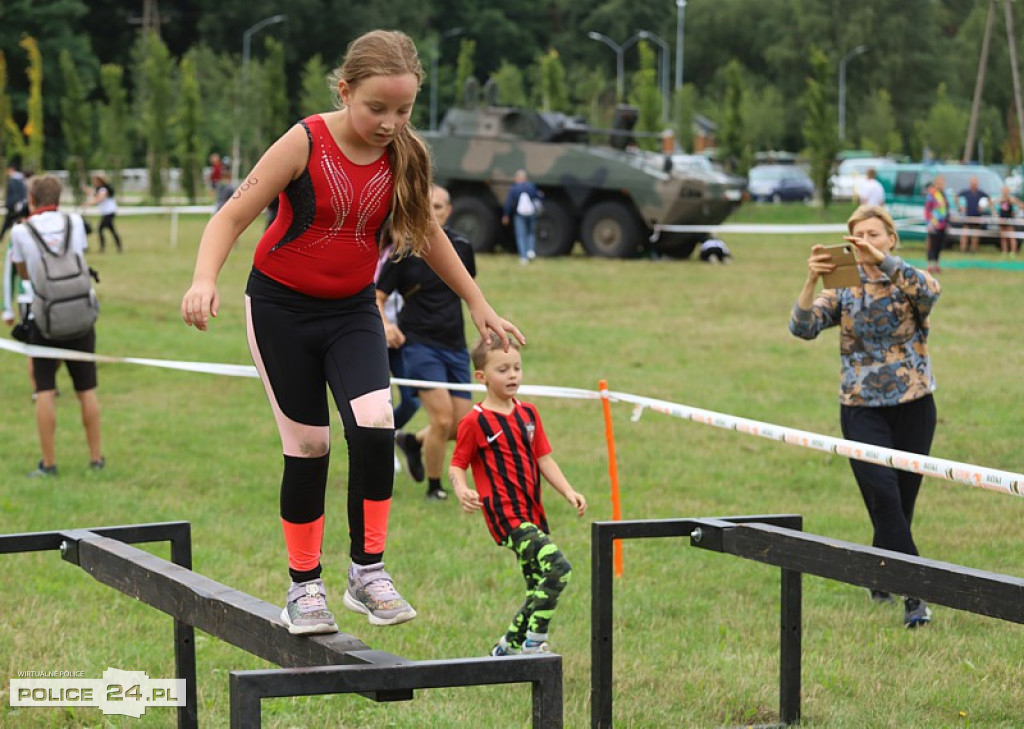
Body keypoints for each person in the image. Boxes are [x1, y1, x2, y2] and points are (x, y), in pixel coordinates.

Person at [180, 30, 524, 637]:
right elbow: (231, 215)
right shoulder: (304, 141)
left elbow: (428, 233)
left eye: (404, 110)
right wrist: (203, 278)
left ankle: (367, 572)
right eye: (377, 108)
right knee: (310, 445)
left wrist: (479, 302)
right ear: (345, 91)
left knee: (375, 423)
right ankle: (304, 587)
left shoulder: (405, 155)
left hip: (352, 312)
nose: (391, 122)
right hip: (280, 310)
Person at [789, 204, 941, 629]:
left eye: (875, 235)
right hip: (860, 409)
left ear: (891, 239)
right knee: (885, 500)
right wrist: (811, 279)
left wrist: (882, 262)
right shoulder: (843, 286)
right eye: (859, 237)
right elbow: (801, 327)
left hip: (914, 404)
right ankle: (917, 596)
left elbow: (932, 291)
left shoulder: (906, 281)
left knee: (901, 504)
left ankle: (880, 571)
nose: (867, 243)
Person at [449, 336, 587, 656]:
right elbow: (457, 465)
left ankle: (507, 646)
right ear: (481, 377)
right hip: (506, 516)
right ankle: (534, 642)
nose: (513, 375)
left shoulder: (529, 414)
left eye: (517, 368)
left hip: (532, 513)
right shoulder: (475, 421)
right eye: (502, 369)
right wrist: (462, 489)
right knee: (558, 568)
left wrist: (568, 491)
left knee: (538, 583)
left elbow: (544, 459)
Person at [378, 184, 475, 501]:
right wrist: (386, 324)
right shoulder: (403, 250)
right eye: (427, 206)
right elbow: (376, 298)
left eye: (438, 207)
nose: (432, 212)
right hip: (419, 344)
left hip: (456, 345)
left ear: (448, 211)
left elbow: (468, 292)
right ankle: (435, 488)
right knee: (442, 418)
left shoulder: (462, 246)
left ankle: (413, 443)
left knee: (461, 427)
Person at [10, 174, 105, 477]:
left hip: (45, 320)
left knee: (46, 391)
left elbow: (24, 274)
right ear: (59, 199)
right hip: (80, 315)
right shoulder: (74, 222)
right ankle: (96, 458)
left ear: (32, 200)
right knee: (87, 389)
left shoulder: (21, 232)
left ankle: (49, 464)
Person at [501, 169, 544, 265]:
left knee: (521, 235)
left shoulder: (514, 188)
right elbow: (539, 196)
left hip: (519, 215)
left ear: (518, 178)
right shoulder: (531, 186)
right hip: (531, 213)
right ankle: (531, 250)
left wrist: (506, 215)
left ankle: (523, 257)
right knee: (531, 233)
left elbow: (509, 203)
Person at [82, 173, 123, 253]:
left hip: (109, 212)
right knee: (112, 230)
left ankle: (102, 248)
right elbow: (94, 193)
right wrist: (86, 189)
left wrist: (87, 204)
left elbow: (99, 199)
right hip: (107, 213)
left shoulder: (104, 189)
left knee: (100, 229)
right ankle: (119, 247)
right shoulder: (100, 189)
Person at [955, 175, 989, 254]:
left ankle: (974, 250)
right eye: (972, 182)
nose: (974, 184)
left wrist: (983, 207)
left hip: (977, 216)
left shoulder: (980, 193)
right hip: (968, 216)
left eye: (975, 183)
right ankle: (963, 249)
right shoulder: (966, 192)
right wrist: (960, 207)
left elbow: (989, 199)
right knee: (965, 233)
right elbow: (956, 197)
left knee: (975, 235)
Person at [923, 175, 947, 275]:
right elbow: (927, 209)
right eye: (939, 183)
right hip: (933, 224)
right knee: (931, 244)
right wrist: (928, 223)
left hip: (942, 224)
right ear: (935, 184)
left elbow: (945, 209)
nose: (941, 185)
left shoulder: (944, 195)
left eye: (942, 183)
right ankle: (929, 265)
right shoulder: (932, 195)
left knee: (939, 245)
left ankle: (937, 265)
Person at [1, 159, 29, 243]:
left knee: (9, 224)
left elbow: (14, 195)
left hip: (14, 206)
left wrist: (9, 204)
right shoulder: (21, 179)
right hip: (19, 205)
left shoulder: (14, 180)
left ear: (11, 169)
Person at [994, 185, 1023, 257]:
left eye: (1006, 191)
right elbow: (992, 204)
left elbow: (1021, 205)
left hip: (1009, 220)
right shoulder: (1000, 199)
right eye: (1004, 191)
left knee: (1011, 237)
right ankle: (1004, 251)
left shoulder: (1011, 199)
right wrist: (995, 215)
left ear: (1008, 191)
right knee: (1003, 237)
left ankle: (1013, 252)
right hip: (1002, 220)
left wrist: (1016, 211)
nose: (1005, 192)